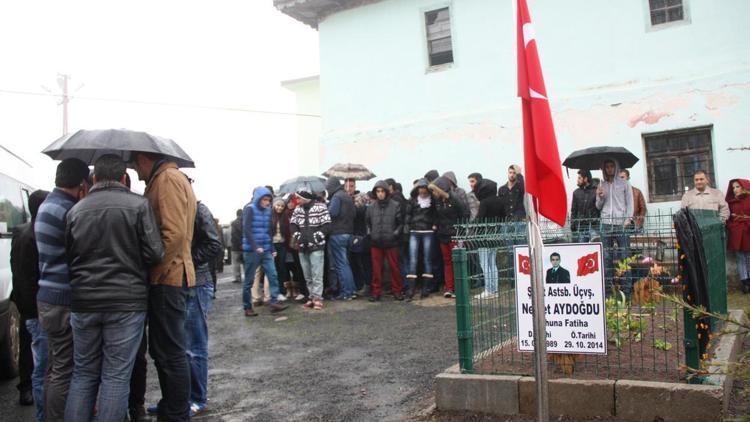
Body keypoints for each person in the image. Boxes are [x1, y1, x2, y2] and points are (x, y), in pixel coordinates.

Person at [64, 155, 164, 422]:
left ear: (94, 179)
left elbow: (69, 257)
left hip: (84, 302)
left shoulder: (76, 211)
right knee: (116, 376)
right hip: (126, 302)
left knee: (83, 373)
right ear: (123, 178)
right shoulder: (139, 205)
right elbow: (156, 252)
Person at [130, 151, 197, 422]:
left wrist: (154, 271)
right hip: (172, 276)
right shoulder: (167, 177)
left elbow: (174, 234)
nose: (134, 170)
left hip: (168, 278)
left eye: (135, 163)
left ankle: (177, 413)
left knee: (170, 351)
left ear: (145, 158)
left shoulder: (167, 178)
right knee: (166, 350)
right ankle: (174, 408)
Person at [34, 157, 89, 422]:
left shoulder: (48, 205)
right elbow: (81, 255)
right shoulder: (68, 212)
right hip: (63, 299)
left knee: (55, 367)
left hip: (47, 297)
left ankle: (48, 416)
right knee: (66, 370)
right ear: (81, 184)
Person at [11, 190, 48, 420]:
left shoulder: (20, 231)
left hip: (22, 299)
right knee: (41, 357)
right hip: (35, 303)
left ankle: (25, 389)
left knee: (26, 348)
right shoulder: (38, 233)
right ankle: (38, 400)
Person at [185, 201, 222, 416]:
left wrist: (187, 261)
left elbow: (214, 245)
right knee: (180, 347)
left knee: (194, 346)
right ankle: (181, 397)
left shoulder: (198, 208)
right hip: (179, 283)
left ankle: (197, 398)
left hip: (197, 282)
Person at [241, 186, 288, 316]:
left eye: (268, 200)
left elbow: (269, 231)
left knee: (273, 275)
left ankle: (274, 302)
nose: (267, 202)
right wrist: (255, 246)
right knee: (249, 280)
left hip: (266, 249)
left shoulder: (268, 211)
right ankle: (247, 307)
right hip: (252, 251)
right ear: (258, 199)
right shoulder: (249, 209)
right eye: (265, 199)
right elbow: (247, 230)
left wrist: (272, 248)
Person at [596, 159, 634, 296]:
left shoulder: (624, 184)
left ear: (616, 167)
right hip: (606, 224)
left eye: (612, 166)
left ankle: (627, 291)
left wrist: (628, 219)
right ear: (604, 169)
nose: (610, 169)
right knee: (606, 258)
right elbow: (598, 206)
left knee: (625, 257)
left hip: (621, 224)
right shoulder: (602, 185)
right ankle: (608, 292)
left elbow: (630, 203)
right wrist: (600, 197)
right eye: (607, 167)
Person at [290, 189, 331, 310]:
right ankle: (311, 297)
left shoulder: (321, 207)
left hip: (316, 246)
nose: (296, 201)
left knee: (317, 274)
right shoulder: (297, 209)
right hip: (302, 247)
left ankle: (318, 298)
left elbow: (327, 224)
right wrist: (297, 236)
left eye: (298, 198)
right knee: (307, 275)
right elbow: (292, 224)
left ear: (305, 198)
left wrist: (318, 236)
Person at [366, 180, 404, 301]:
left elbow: (400, 223)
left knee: (394, 268)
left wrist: (395, 234)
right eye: (378, 191)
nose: (380, 194)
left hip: (391, 242)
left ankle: (397, 291)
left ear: (386, 192)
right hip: (376, 242)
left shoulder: (395, 205)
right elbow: (367, 223)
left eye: (382, 191)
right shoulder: (371, 207)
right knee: (376, 270)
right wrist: (370, 234)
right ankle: (376, 292)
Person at [429, 176, 466, 298]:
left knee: (457, 261)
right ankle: (449, 288)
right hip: (443, 235)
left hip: (455, 235)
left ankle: (459, 288)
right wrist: (436, 225)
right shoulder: (438, 202)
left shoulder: (455, 200)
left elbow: (465, 213)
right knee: (447, 262)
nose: (433, 193)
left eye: (434, 190)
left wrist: (460, 230)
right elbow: (436, 215)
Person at [405, 178, 437, 300]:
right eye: (421, 191)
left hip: (428, 231)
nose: (422, 194)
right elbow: (408, 216)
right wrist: (407, 228)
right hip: (415, 231)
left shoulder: (432, 201)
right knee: (413, 259)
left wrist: (435, 223)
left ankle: (425, 288)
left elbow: (436, 214)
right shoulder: (413, 201)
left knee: (427, 259)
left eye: (424, 192)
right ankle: (411, 289)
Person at [326, 176, 357, 300]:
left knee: (341, 265)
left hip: (337, 234)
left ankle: (347, 292)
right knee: (346, 264)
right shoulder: (347, 197)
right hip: (348, 234)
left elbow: (332, 213)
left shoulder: (337, 197)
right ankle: (352, 290)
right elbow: (354, 214)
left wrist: (326, 208)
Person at [473, 178, 503, 298]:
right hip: (496, 234)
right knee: (492, 263)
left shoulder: (484, 202)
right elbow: (503, 217)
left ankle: (488, 290)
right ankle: (494, 290)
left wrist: (473, 225)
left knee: (485, 264)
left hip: (484, 236)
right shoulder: (500, 201)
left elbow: (479, 219)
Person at [726, 179, 750, 293]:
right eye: (733, 188)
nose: (735, 189)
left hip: (748, 232)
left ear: (744, 187)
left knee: (749, 257)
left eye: (737, 186)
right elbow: (728, 218)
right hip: (737, 234)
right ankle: (745, 283)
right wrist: (732, 226)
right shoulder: (731, 203)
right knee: (740, 258)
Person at [351, 192, 373, 296]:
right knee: (367, 265)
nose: (355, 203)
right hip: (367, 239)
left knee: (362, 265)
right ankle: (368, 285)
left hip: (360, 240)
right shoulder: (370, 209)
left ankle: (365, 286)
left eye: (356, 201)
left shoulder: (359, 210)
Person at [271, 197, 293, 300]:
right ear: (274, 205)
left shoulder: (285, 218)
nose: (279, 208)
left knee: (282, 268)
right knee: (273, 268)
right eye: (278, 205)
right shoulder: (270, 217)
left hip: (283, 245)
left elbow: (288, 233)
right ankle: (275, 291)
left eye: (282, 206)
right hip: (273, 245)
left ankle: (282, 290)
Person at [571, 169, 600, 242]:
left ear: (586, 179)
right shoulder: (576, 193)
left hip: (594, 226)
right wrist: (573, 223)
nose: (577, 180)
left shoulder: (596, 191)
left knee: (595, 245)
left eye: (579, 178)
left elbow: (600, 207)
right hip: (581, 227)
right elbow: (573, 210)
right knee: (583, 249)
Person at [230, 209, 244, 283]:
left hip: (235, 246)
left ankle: (238, 278)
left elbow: (234, 234)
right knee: (246, 263)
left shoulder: (234, 223)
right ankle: (248, 276)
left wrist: (239, 243)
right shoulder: (246, 222)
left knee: (236, 263)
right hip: (245, 246)